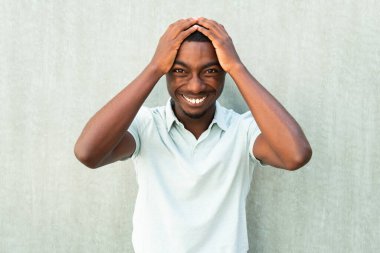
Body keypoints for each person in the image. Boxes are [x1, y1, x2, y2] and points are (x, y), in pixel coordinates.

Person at [74, 17, 312, 253]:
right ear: (166, 72)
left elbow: (296, 155)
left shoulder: (242, 129)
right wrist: (154, 67)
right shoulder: (146, 125)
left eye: (210, 71)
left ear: (224, 73)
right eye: (179, 71)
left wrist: (237, 67)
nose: (195, 86)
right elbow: (88, 153)